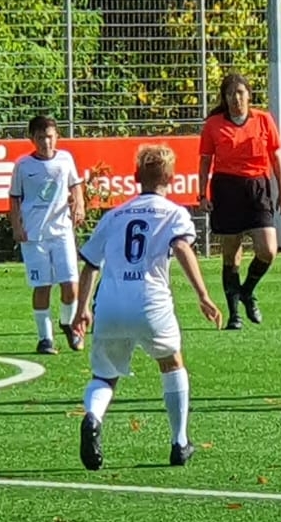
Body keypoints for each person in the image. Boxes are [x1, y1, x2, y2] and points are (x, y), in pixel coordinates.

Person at [75, 144, 222, 470]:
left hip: (110, 304)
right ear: (171, 178)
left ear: (135, 177)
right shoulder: (174, 213)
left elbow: (90, 264)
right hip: (150, 301)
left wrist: (81, 309)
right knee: (171, 363)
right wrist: (203, 294)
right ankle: (179, 442)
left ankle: (93, 416)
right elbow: (181, 247)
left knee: (104, 375)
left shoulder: (114, 216)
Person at [197, 72, 281, 330]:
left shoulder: (263, 119)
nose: (235, 98)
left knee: (268, 250)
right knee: (231, 253)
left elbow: (276, 157)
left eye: (240, 92)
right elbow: (205, 161)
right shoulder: (214, 124)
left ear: (249, 94)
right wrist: (202, 194)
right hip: (227, 189)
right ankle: (234, 314)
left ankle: (247, 291)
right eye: (230, 94)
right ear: (224, 98)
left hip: (258, 187)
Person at [8, 114, 86, 354]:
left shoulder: (65, 159)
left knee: (71, 285)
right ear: (32, 139)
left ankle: (68, 323)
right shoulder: (23, 165)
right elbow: (14, 198)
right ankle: (45, 339)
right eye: (41, 138)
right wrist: (17, 226)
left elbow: (75, 184)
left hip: (62, 232)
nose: (46, 142)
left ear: (57, 137)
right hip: (35, 235)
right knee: (42, 286)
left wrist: (80, 204)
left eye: (50, 137)